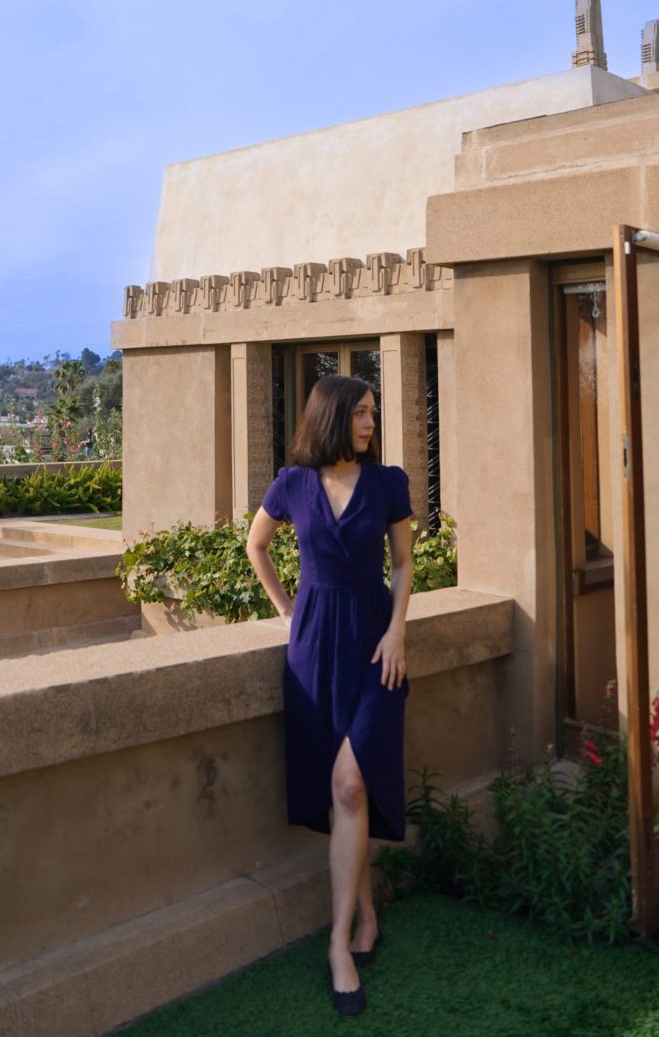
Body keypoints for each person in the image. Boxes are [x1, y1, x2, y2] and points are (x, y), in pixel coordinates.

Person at [246, 375, 412, 1018]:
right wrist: (288, 610)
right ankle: (366, 918)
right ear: (333, 416)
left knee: (350, 781)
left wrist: (397, 631)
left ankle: (337, 946)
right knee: (348, 794)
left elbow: (402, 563)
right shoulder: (292, 484)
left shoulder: (389, 483)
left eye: (373, 413)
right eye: (361, 413)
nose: (370, 423)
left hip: (374, 646)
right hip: (314, 648)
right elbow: (256, 545)